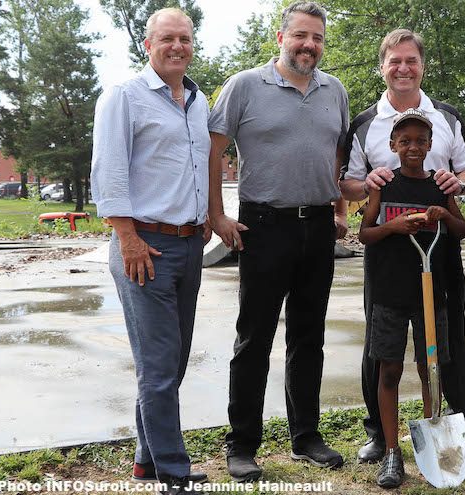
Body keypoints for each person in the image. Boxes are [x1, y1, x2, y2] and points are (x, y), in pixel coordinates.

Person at [206, 1, 349, 482]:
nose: (310, 45)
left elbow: (336, 153)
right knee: (255, 337)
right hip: (263, 225)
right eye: (301, 35)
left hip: (318, 227)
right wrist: (216, 213)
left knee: (309, 336)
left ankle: (306, 435)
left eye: (318, 38)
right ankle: (242, 442)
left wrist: (340, 208)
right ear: (281, 37)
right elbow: (214, 146)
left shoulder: (335, 90)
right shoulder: (246, 85)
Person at [339, 28, 465, 462]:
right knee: (380, 346)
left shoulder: (445, 116)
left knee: (447, 342)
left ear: (421, 66)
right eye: (395, 62)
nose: (403, 69)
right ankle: (378, 434)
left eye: (411, 61)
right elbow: (348, 183)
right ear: (382, 67)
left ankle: (462, 423)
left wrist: (455, 183)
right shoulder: (365, 124)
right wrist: (365, 184)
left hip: (438, 249)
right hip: (388, 257)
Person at [90, 8, 210, 495]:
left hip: (190, 244)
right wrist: (128, 237)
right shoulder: (124, 97)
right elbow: (109, 172)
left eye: (185, 38)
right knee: (158, 366)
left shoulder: (199, 101)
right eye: (167, 39)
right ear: (148, 44)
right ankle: (172, 472)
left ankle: (146, 458)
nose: (177, 46)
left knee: (173, 361)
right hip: (144, 246)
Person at [359, 109, 465, 488]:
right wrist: (393, 226)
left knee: (429, 369)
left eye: (421, 140)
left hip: (429, 294)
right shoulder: (383, 186)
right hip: (389, 292)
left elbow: (461, 231)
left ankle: (432, 446)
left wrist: (443, 214)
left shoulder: (439, 185)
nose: (413, 147)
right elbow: (365, 234)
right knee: (389, 370)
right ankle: (392, 452)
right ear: (392, 146)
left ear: (431, 144)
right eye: (404, 141)